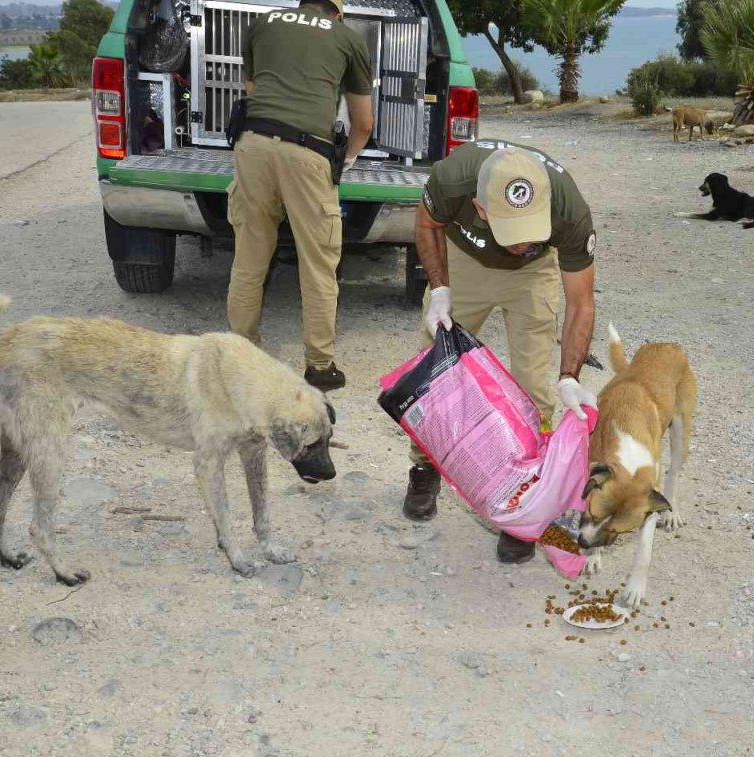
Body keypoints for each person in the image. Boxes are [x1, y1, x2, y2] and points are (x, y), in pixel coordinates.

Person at [402, 140, 598, 564]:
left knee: (532, 383)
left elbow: (582, 302)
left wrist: (570, 376)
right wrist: (440, 289)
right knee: (436, 373)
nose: (521, 244)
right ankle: (424, 467)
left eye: (531, 233)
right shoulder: (454, 179)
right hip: (465, 259)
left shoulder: (569, 210)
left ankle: (526, 504)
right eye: (513, 234)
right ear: (481, 206)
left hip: (531, 280)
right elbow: (426, 224)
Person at [225, 0, 374, 391]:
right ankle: (320, 367)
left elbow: (253, 89)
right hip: (308, 153)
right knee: (319, 264)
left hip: (252, 144)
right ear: (337, 12)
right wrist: (348, 160)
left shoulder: (262, 22)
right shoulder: (347, 38)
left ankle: (240, 355)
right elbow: (363, 121)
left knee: (250, 256)